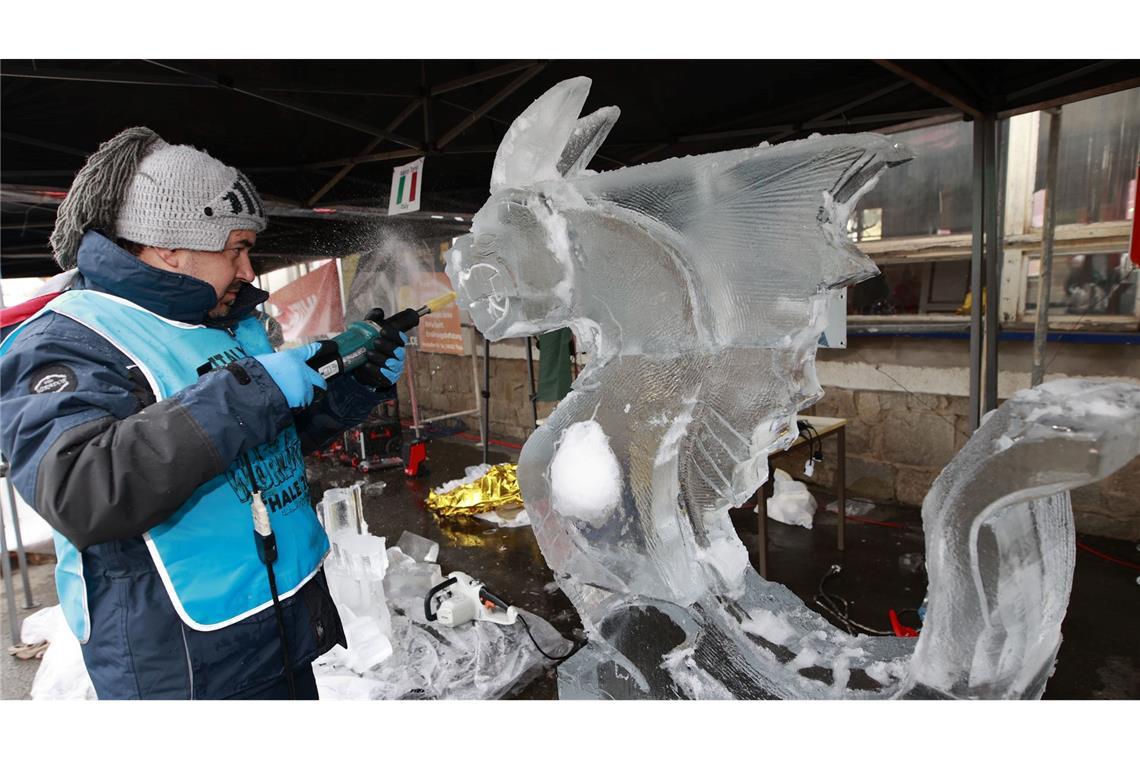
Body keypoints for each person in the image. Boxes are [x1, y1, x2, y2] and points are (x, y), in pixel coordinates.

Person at [0, 127, 407, 699]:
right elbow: (80, 488)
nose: (247, 271)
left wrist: (349, 390)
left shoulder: (228, 322)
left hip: (276, 625)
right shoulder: (65, 341)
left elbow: (258, 444)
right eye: (234, 248)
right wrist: (253, 391)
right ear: (168, 245)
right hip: (183, 663)